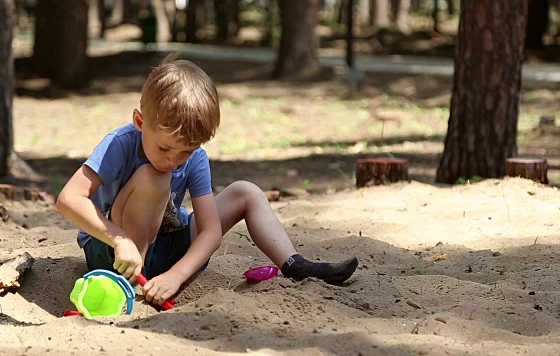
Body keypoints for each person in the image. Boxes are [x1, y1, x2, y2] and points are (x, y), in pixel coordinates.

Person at [56, 54, 359, 308]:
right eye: (164, 148)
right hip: (116, 254)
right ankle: (130, 287)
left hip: (170, 254)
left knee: (246, 191)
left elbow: (211, 232)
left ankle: (294, 264)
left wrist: (176, 276)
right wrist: (120, 241)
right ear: (140, 121)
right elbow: (69, 199)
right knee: (153, 176)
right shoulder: (120, 143)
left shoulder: (196, 157)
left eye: (186, 152)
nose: (174, 160)